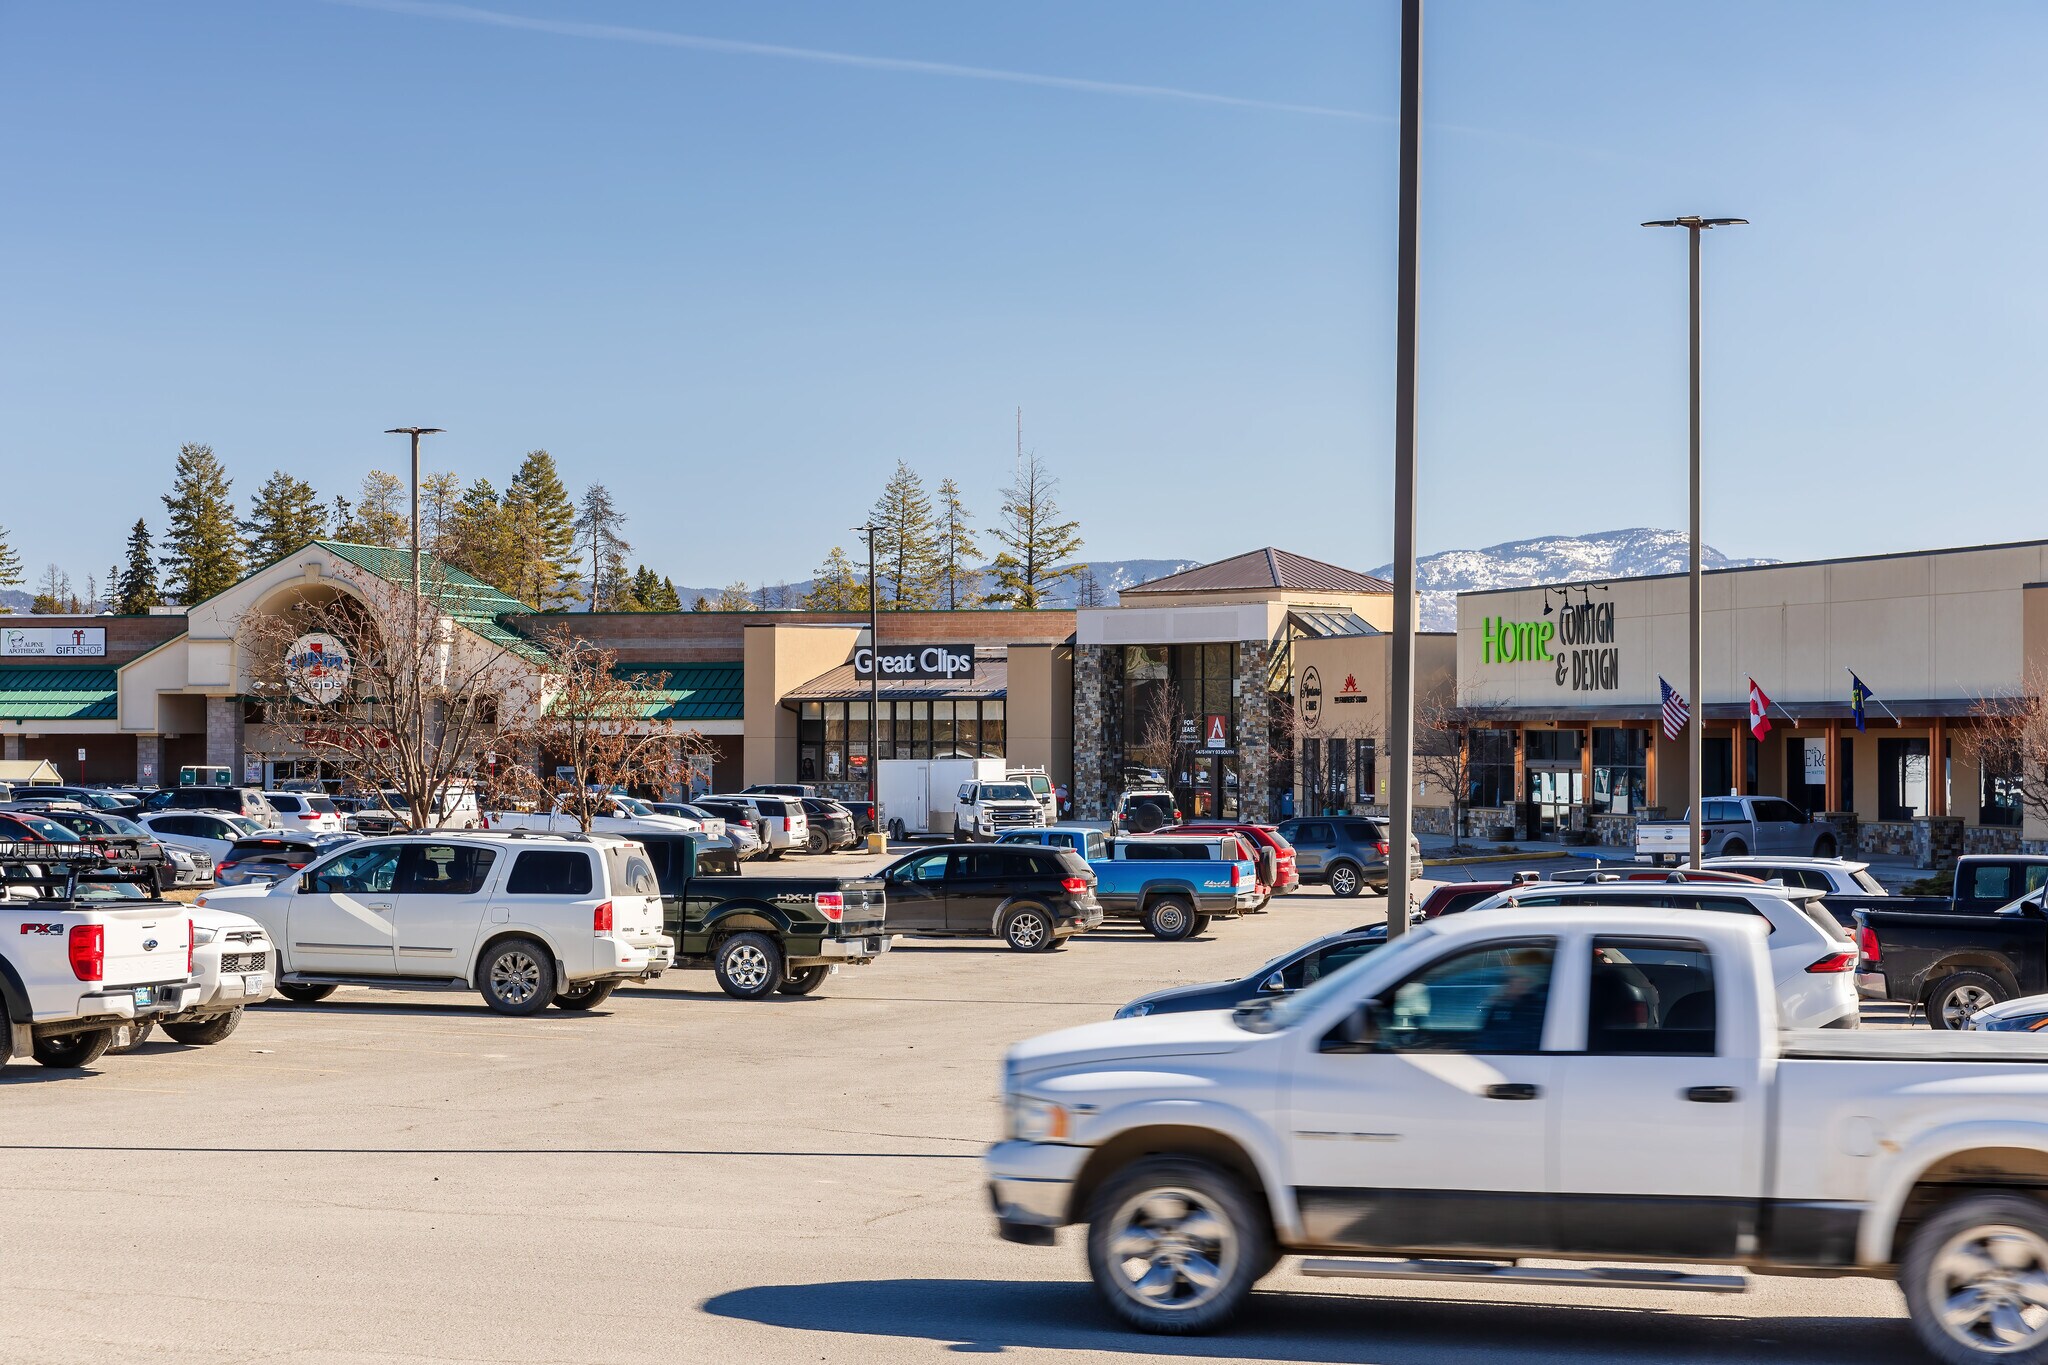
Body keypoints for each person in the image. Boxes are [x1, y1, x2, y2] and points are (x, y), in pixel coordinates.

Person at [1477, 947, 1551, 1052]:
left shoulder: (1533, 1013)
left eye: (1512, 977)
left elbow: (1492, 1045)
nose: (1506, 984)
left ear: (1528, 980)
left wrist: (1499, 1005)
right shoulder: (1517, 1005)